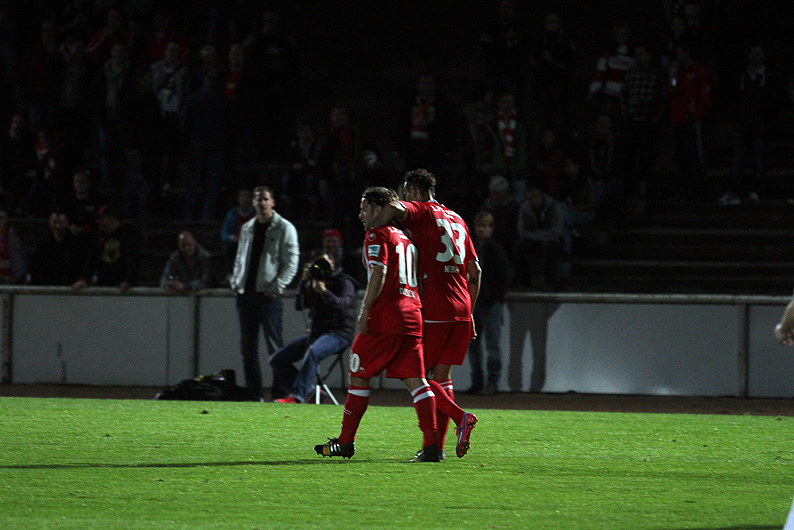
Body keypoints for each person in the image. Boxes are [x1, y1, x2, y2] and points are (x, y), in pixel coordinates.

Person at [314, 186, 477, 462]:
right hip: (413, 315)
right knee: (418, 381)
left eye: (365, 209)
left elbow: (380, 271)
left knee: (359, 373)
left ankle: (345, 441)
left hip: (386, 318)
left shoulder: (376, 234)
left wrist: (365, 309)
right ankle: (432, 446)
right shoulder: (406, 237)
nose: (361, 214)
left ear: (379, 209)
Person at [372, 169, 481, 457]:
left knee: (415, 375)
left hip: (435, 307)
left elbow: (393, 207)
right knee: (442, 378)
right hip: (462, 307)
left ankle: (460, 417)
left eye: (407, 193)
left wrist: (375, 230)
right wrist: (470, 311)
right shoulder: (457, 218)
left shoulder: (421, 211)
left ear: (414, 192)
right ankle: (435, 449)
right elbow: (475, 271)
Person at [229, 186, 299, 401]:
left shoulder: (284, 227)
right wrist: (235, 281)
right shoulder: (248, 227)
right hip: (246, 294)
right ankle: (254, 394)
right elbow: (240, 258)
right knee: (247, 349)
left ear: (273, 202)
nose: (261, 203)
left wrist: (276, 288)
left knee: (275, 348)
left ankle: (280, 393)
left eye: (265, 199)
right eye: (258, 199)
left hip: (268, 296)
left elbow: (291, 262)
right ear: (253, 203)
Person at [270, 251, 356, 403]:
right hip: (318, 333)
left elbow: (343, 304)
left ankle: (298, 396)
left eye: (324, 263)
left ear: (333, 263)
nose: (321, 267)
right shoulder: (312, 282)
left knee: (313, 352)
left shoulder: (344, 281)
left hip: (339, 333)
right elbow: (299, 305)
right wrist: (303, 282)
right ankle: (310, 391)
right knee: (276, 360)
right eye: (317, 264)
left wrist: (325, 292)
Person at [719, 43, 777, 205]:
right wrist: (736, 119)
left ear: (763, 56)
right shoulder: (743, 76)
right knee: (738, 159)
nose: (755, 57)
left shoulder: (767, 76)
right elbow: (736, 98)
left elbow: (773, 101)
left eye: (758, 54)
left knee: (758, 159)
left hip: (759, 124)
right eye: (752, 53)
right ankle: (735, 190)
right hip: (743, 123)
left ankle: (756, 189)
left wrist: (767, 121)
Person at [466, 211, 511, 395]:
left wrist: (494, 298)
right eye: (479, 226)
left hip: (489, 304)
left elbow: (503, 277)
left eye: (485, 226)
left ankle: (491, 382)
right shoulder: (474, 246)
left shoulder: (496, 249)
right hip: (476, 303)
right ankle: (478, 382)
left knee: (491, 346)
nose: (481, 229)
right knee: (474, 346)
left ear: (491, 228)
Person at [666, 38, 712, 200]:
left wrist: (697, 113)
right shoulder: (677, 72)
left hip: (691, 119)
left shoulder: (699, 71)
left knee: (695, 155)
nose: (678, 56)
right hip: (677, 119)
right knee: (681, 156)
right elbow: (672, 93)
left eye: (680, 53)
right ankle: (686, 190)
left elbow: (705, 95)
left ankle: (701, 190)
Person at [72, 203, 139, 294]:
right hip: (103, 285)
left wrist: (128, 281)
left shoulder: (128, 234)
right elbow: (92, 260)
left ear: (111, 219)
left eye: (101, 219)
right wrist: (83, 279)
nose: (98, 221)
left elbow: (133, 259)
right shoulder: (99, 236)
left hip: (123, 287)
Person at [513, 184, 568, 290]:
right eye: (530, 198)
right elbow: (522, 231)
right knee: (519, 245)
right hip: (535, 241)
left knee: (550, 247)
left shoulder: (554, 207)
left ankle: (551, 282)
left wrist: (536, 234)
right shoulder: (525, 208)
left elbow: (557, 230)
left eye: (536, 197)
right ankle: (523, 282)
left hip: (552, 241)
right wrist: (541, 236)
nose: (533, 201)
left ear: (542, 196)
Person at [29, 210, 85, 286]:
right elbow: (35, 265)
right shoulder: (43, 243)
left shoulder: (76, 243)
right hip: (46, 285)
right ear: (50, 222)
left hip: (70, 286)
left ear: (68, 223)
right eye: (54, 222)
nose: (58, 226)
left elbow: (81, 265)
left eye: (61, 222)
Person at [221, 188, 254, 276]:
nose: (245, 199)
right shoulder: (232, 214)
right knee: (229, 248)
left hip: (252, 242)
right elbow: (224, 234)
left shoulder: (256, 214)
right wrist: (233, 238)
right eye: (243, 196)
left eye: (247, 196)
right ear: (238, 199)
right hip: (236, 243)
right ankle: (230, 274)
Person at [0, 209, 27, 285]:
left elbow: (19, 268)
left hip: (10, 285)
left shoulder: (12, 238)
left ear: (6, 220)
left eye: (1, 218)